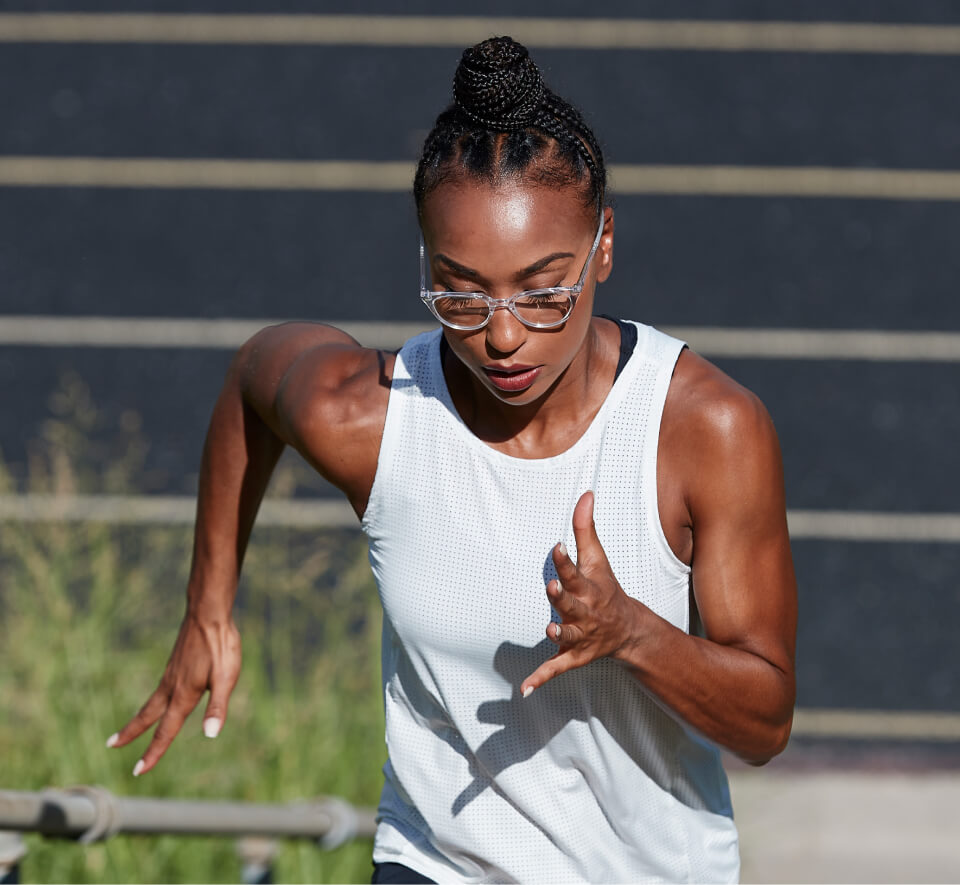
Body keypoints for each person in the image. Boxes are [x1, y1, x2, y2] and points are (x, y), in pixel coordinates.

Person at [107, 37, 797, 884]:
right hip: (436, 861)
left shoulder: (702, 429)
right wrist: (206, 606)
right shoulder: (374, 418)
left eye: (544, 291)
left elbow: (765, 723)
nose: (502, 334)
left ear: (603, 248)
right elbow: (254, 377)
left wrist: (633, 634)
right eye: (460, 291)